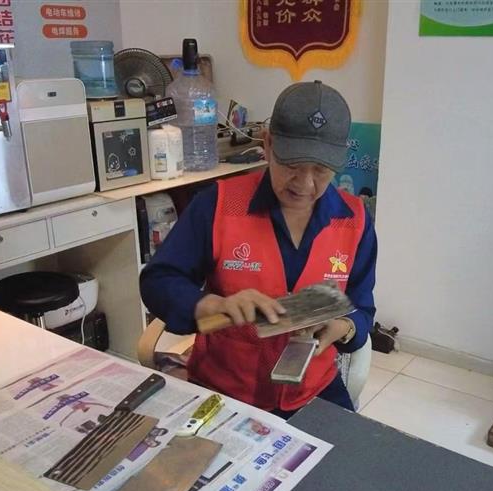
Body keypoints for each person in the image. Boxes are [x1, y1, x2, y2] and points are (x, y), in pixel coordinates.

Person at [140, 81, 377, 419]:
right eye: (292, 165)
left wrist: (344, 327)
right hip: (225, 387)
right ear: (267, 144)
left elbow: (362, 307)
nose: (305, 184)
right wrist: (214, 305)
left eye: (321, 170)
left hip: (314, 389)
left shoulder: (355, 221)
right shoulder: (218, 205)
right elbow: (158, 280)